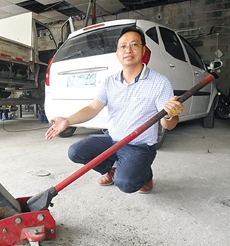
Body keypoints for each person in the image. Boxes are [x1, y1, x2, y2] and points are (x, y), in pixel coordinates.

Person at [45, 25, 184, 194]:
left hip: (139, 146)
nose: (128, 50)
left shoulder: (159, 82)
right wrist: (67, 120)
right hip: (112, 140)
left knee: (125, 184)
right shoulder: (109, 81)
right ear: (117, 54)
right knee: (76, 151)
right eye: (123, 46)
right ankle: (110, 169)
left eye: (134, 44)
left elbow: (169, 124)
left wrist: (170, 116)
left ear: (144, 50)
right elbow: (92, 108)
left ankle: (145, 175)